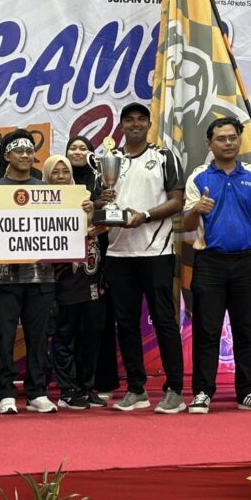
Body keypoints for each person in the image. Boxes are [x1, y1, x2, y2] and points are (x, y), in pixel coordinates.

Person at [182, 117, 251, 414]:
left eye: (233, 137)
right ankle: (202, 392)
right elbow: (186, 226)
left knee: (246, 331)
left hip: (247, 263)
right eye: (221, 138)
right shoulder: (198, 178)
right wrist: (197, 209)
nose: (228, 143)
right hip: (209, 263)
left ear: (239, 140)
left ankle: (247, 390)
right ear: (209, 144)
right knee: (207, 331)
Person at [101, 103, 185, 413]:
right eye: (129, 120)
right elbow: (98, 203)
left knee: (164, 320)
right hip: (118, 252)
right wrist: (100, 201)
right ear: (121, 126)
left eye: (141, 119)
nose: (135, 124)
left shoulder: (163, 156)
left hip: (156, 251)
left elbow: (178, 201)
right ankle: (136, 389)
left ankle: (174, 389)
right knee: (126, 324)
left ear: (149, 124)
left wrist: (145, 215)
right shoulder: (108, 160)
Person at [0, 130, 58, 414]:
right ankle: (5, 391)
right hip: (3, 276)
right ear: (7, 156)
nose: (25, 156)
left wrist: (79, 210)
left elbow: (61, 227)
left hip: (41, 274)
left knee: (38, 335)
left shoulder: (46, 189)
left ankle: (38, 391)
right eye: (19, 151)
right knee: (2, 334)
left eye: (29, 151)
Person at [42, 154, 101, 409]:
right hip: (62, 277)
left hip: (90, 276)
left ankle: (86, 387)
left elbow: (103, 227)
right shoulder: (38, 204)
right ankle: (68, 390)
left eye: (65, 172)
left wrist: (92, 213)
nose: (61, 177)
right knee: (64, 335)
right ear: (47, 176)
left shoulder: (85, 197)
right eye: (55, 173)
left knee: (90, 336)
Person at [66, 134, 116, 404]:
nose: (77, 152)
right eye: (72, 148)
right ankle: (69, 386)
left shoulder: (102, 180)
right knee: (68, 327)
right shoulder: (55, 182)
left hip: (97, 261)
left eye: (82, 148)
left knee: (98, 325)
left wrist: (98, 208)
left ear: (91, 154)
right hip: (65, 267)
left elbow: (113, 214)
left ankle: (98, 381)